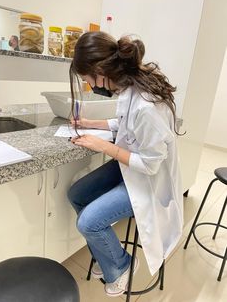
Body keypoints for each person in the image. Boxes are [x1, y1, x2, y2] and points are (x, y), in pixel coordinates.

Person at [67, 31, 183, 297]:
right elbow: (124, 122)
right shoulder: (128, 88)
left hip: (149, 182)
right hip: (130, 168)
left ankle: (121, 265)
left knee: (88, 223)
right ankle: (108, 256)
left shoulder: (147, 107)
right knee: (76, 195)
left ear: (99, 71)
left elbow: (151, 165)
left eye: (87, 80)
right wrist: (89, 124)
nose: (88, 85)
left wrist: (104, 146)